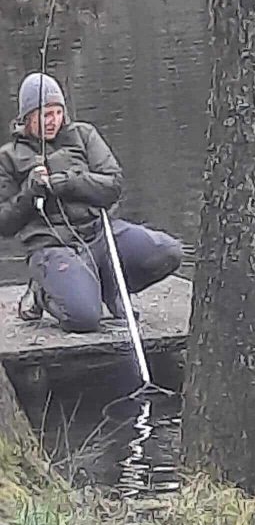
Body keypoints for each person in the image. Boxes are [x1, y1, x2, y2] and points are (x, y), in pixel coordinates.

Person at [0, 72, 183, 333]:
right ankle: (43, 292)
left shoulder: (84, 135)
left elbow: (112, 185)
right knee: (84, 319)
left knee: (169, 252)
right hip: (52, 247)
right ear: (28, 117)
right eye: (45, 115)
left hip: (99, 234)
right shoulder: (8, 157)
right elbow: (4, 223)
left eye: (57, 113)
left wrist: (69, 182)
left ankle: (110, 288)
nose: (53, 121)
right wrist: (30, 192)